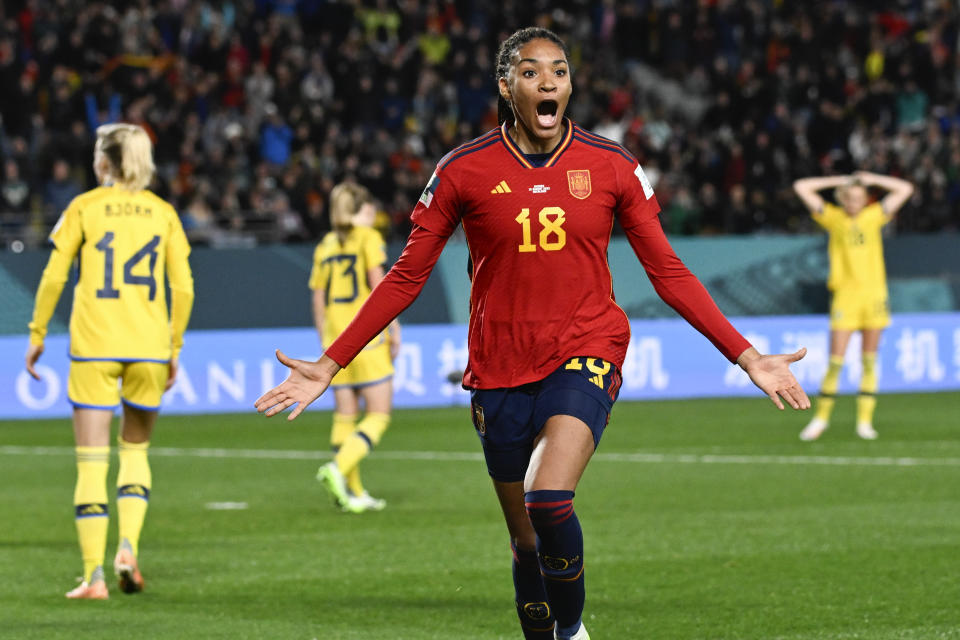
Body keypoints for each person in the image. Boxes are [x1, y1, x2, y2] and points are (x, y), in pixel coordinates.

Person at [256, 27, 809, 640]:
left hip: (585, 348)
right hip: (497, 368)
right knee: (525, 540)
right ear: (506, 84)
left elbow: (668, 271)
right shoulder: (463, 170)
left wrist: (746, 355)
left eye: (560, 70)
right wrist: (331, 362)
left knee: (549, 500)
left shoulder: (613, 166)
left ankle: (573, 632)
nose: (548, 81)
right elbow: (406, 277)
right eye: (530, 71)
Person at [25, 123, 194, 599]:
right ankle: (128, 548)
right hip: (148, 348)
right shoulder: (163, 213)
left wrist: (37, 335)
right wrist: (174, 346)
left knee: (91, 463)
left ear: (103, 162)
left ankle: (93, 577)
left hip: (95, 347)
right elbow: (183, 287)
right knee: (136, 452)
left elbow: (54, 276)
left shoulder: (84, 207)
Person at [793, 171, 913, 441]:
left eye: (859, 198)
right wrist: (838, 181)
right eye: (850, 198)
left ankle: (864, 422)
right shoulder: (833, 218)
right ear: (844, 199)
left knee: (869, 361)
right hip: (845, 297)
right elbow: (802, 185)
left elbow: (904, 189)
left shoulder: (874, 216)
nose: (854, 203)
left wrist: (871, 177)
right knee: (836, 362)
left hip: (874, 297)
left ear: (865, 199)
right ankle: (821, 419)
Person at [309, 182, 400, 513]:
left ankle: (354, 492)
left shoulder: (325, 246)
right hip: (367, 337)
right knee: (377, 415)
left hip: (335, 341)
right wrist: (394, 328)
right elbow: (382, 287)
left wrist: (323, 337)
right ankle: (337, 469)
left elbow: (318, 297)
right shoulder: (368, 238)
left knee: (345, 414)